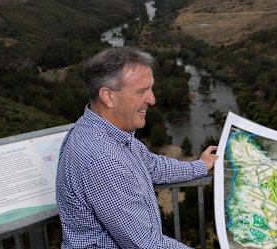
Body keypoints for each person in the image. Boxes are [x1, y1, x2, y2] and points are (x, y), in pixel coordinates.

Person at [56, 47, 218, 248]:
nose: (152, 99)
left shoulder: (106, 132)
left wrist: (201, 166)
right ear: (108, 96)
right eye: (141, 91)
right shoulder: (103, 159)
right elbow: (146, 244)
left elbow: (153, 166)